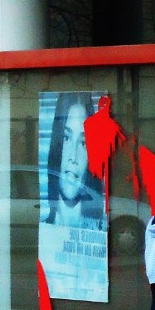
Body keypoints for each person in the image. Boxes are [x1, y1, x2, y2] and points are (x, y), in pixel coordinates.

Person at [44, 92, 102, 228]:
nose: (73, 157)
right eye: (66, 138)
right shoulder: (44, 232)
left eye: (83, 143)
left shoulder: (100, 233)